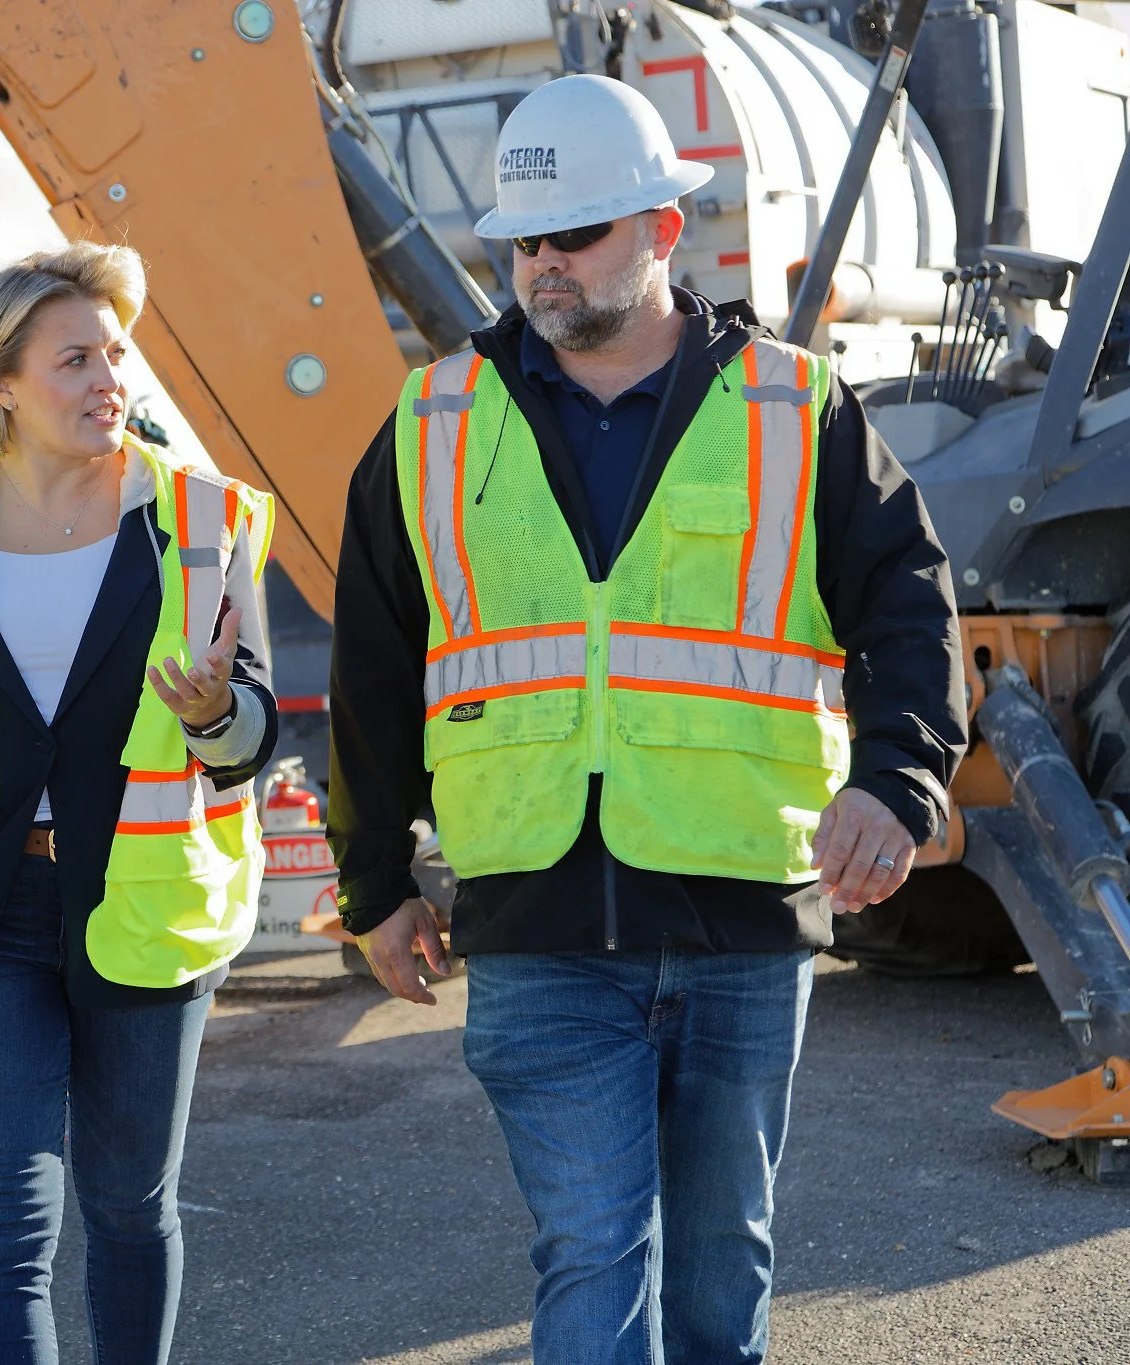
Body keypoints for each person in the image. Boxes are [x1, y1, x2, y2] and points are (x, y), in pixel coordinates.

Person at [327, 76, 964, 1363]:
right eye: (523, 240)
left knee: (725, 1257)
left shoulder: (794, 408)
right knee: (588, 1249)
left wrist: (897, 782)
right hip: (533, 918)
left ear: (662, 233)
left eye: (575, 236)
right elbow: (373, 668)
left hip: (740, 907)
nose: (541, 266)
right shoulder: (435, 420)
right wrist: (371, 883)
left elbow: (908, 604)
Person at [0, 241, 278, 1363]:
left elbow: (251, 742)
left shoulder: (204, 520)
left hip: (142, 906)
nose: (107, 381)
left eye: (113, 355)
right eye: (73, 359)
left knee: (127, 1213)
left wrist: (217, 711)